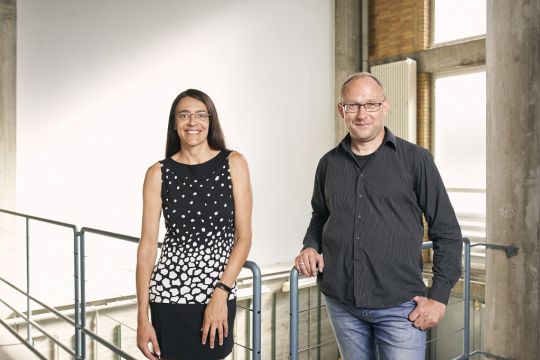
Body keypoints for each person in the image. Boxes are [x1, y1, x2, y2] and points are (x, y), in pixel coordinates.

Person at [295, 72, 462, 360]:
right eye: (353, 105)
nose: (362, 114)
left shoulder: (416, 160)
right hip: (342, 302)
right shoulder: (328, 164)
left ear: (385, 106)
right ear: (341, 110)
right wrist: (310, 245)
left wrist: (439, 297)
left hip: (401, 306)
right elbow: (320, 216)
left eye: (370, 104)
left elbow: (446, 230)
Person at [136, 89, 252, 360]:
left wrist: (221, 293)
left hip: (217, 293)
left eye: (201, 115)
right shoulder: (157, 173)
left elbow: (244, 237)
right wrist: (142, 317)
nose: (193, 122)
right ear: (174, 123)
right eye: (184, 115)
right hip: (167, 295)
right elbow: (147, 248)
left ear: (210, 121)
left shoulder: (234, 163)